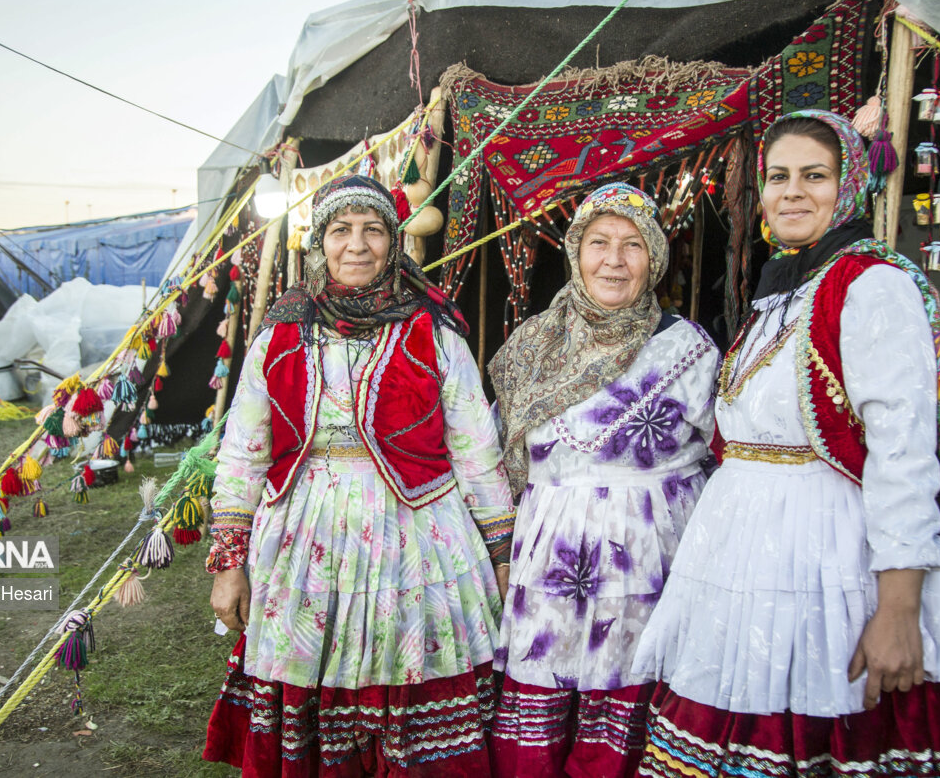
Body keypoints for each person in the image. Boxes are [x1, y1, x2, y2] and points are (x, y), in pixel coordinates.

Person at [632, 110, 940, 775]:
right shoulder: (780, 291)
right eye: (778, 176)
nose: (791, 192)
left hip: (828, 561)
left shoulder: (870, 285)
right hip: (745, 557)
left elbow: (903, 454)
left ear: (849, 186)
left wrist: (898, 607)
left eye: (814, 176)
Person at [202, 174, 516, 777]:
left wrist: (500, 555)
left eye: (373, 230)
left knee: (411, 680)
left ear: (393, 243)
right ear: (319, 242)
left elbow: (477, 452)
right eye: (341, 230)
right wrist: (229, 564)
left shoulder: (434, 331)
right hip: (306, 541)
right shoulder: (281, 334)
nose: (357, 245)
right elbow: (243, 454)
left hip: (418, 540)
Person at [486, 182, 718, 778]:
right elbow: (491, 455)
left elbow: (727, 453)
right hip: (549, 562)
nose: (614, 260)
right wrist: (497, 549)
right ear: (575, 251)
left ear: (655, 258)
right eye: (599, 243)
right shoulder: (533, 346)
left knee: (633, 705)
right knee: (543, 707)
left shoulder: (687, 348)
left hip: (652, 563)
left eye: (633, 244)